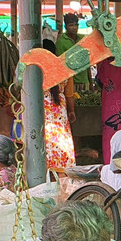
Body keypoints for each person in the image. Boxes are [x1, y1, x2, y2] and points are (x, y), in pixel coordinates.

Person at [38, 39, 77, 170]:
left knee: (44, 141)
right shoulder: (65, 69)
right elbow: (69, 95)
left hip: (41, 110)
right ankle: (61, 171)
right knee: (61, 141)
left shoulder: (35, 69)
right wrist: (71, 111)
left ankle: (44, 170)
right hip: (60, 110)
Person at [55, 14, 90, 90]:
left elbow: (88, 62)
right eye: (71, 25)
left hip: (84, 80)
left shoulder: (83, 39)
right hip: (70, 83)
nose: (74, 27)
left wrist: (90, 82)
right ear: (65, 27)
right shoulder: (61, 42)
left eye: (76, 25)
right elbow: (61, 65)